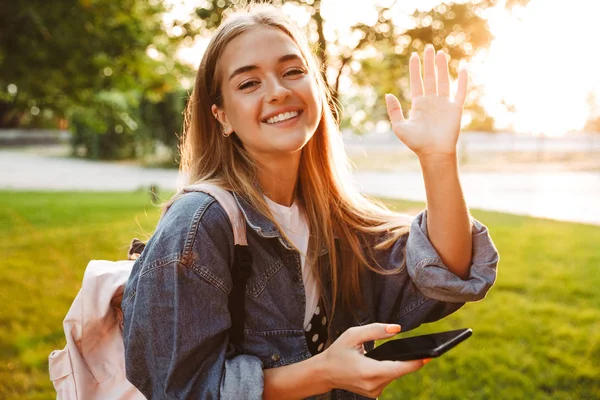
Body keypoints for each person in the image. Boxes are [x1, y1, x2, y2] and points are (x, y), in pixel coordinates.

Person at [122, 4, 499, 400]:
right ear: (222, 117)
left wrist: (438, 158)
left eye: (293, 71)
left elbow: (446, 272)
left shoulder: (331, 221)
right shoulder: (199, 224)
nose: (279, 91)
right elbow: (182, 390)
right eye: (248, 83)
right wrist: (324, 373)